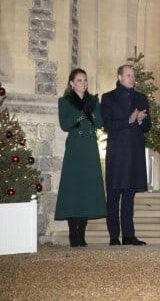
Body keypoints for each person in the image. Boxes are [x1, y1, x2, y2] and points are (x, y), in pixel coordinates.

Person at [55, 69, 107, 247]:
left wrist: (91, 113)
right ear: (71, 83)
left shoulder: (93, 101)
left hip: (90, 148)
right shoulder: (65, 101)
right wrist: (80, 115)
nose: (83, 83)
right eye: (79, 80)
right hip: (75, 147)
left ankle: (82, 233)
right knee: (73, 190)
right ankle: (73, 233)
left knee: (87, 189)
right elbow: (64, 124)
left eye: (85, 80)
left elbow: (100, 123)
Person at [101, 64, 151, 246]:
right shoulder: (108, 98)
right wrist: (128, 120)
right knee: (114, 196)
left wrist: (140, 120)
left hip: (134, 153)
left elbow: (147, 127)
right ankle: (114, 236)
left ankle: (129, 235)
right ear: (120, 77)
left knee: (129, 196)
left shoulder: (141, 98)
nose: (132, 78)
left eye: (133, 75)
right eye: (128, 75)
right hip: (117, 154)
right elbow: (107, 124)